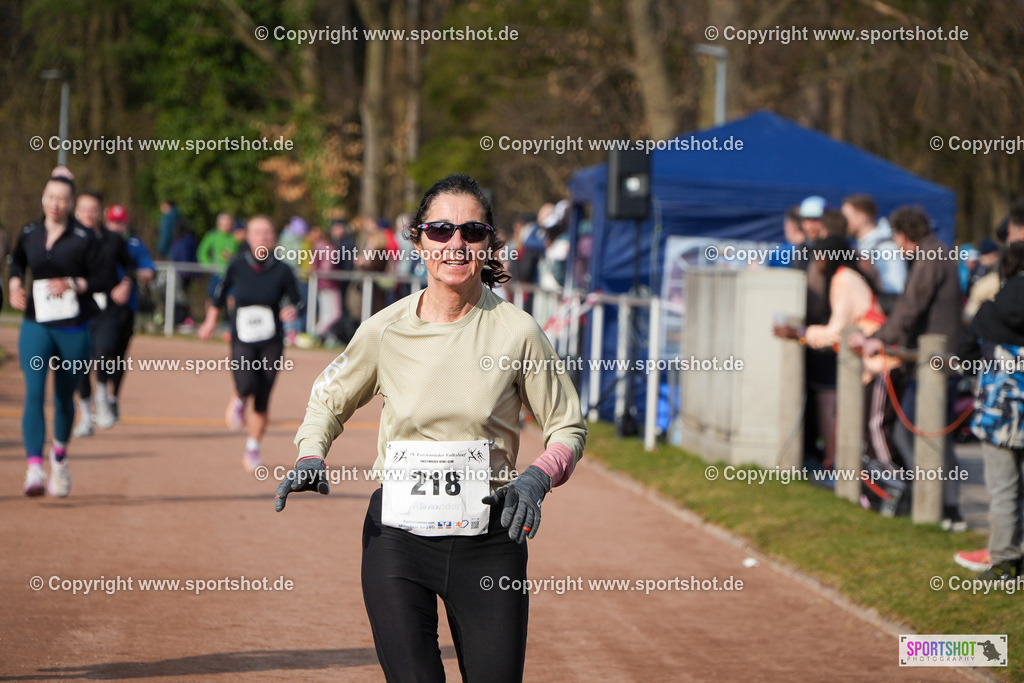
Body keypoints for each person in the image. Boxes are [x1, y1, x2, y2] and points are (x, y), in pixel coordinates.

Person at [275, 174, 586, 682]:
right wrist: (311, 453)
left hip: (490, 537)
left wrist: (536, 477)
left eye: (472, 232)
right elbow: (328, 401)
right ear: (418, 241)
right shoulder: (384, 328)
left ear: (489, 244)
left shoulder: (518, 331)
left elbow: (567, 427)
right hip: (397, 537)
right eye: (440, 230)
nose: (455, 244)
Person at [856, 205, 966, 529]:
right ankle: (941, 505)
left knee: (919, 433)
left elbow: (910, 305)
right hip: (933, 360)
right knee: (928, 434)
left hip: (936, 363)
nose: (897, 246)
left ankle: (939, 505)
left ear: (906, 235)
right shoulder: (935, 253)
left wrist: (880, 338)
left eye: (897, 239)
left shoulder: (930, 256)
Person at [9, 172, 106, 497]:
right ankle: (34, 467)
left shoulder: (84, 238)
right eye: (51, 197)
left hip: (73, 329)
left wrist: (74, 283)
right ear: (43, 197)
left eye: (62, 199)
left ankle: (60, 460)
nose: (55, 204)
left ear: (71, 204)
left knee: (65, 399)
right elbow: (17, 262)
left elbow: (104, 277)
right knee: (35, 393)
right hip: (35, 325)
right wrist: (14, 284)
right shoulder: (29, 233)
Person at [197, 216, 301, 471]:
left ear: (274, 237)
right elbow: (218, 296)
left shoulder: (283, 270)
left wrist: (291, 311)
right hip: (242, 336)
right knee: (246, 382)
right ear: (249, 237)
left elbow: (298, 300)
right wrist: (210, 321)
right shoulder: (236, 266)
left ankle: (252, 449)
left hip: (271, 340)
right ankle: (239, 397)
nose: (263, 237)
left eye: (267, 232)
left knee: (263, 394)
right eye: (257, 232)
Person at [957, 242, 1024, 580]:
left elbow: (963, 355)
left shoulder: (991, 310)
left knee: (1003, 488)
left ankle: (1005, 561)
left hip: (999, 413)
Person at [72, 194, 136, 436]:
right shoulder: (68, 238)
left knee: (104, 352)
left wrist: (126, 283)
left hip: (107, 308)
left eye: (93, 209)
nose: (89, 213)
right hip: (76, 310)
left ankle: (102, 396)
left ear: (100, 212)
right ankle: (86, 417)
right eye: (84, 209)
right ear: (76, 210)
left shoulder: (113, 240)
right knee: (78, 363)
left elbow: (129, 265)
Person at [101, 205, 156, 418]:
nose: (116, 225)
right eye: (113, 221)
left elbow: (149, 271)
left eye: (120, 221)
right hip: (100, 308)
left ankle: (113, 397)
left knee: (118, 355)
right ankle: (101, 393)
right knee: (101, 351)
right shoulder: (97, 242)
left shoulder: (134, 244)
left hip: (126, 309)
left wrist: (131, 275)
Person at [842, 193, 907, 310]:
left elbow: (896, 292)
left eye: (846, 218)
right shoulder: (862, 247)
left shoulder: (886, 248)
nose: (843, 222)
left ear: (861, 219)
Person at [197, 212, 239, 304]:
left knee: (232, 297)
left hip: (231, 273)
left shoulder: (234, 238)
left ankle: (231, 318)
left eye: (230, 223)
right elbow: (202, 252)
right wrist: (209, 266)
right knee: (212, 298)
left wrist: (233, 258)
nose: (228, 225)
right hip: (217, 274)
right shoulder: (212, 236)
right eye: (226, 223)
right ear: (219, 224)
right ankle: (210, 318)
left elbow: (239, 255)